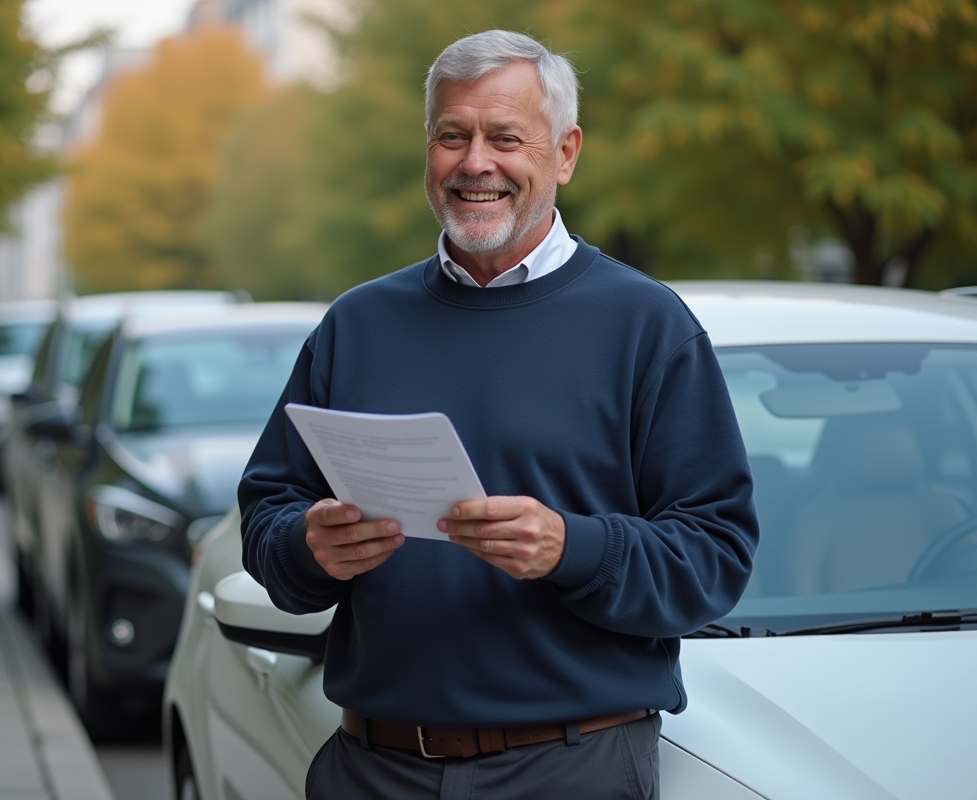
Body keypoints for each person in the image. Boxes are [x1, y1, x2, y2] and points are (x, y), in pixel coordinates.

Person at [238, 29, 759, 800]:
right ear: (429, 149)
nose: (475, 162)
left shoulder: (646, 326)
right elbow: (265, 516)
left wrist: (572, 547)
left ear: (567, 153)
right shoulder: (357, 326)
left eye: (506, 138)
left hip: (571, 768)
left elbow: (715, 554)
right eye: (454, 136)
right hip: (373, 767)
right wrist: (310, 548)